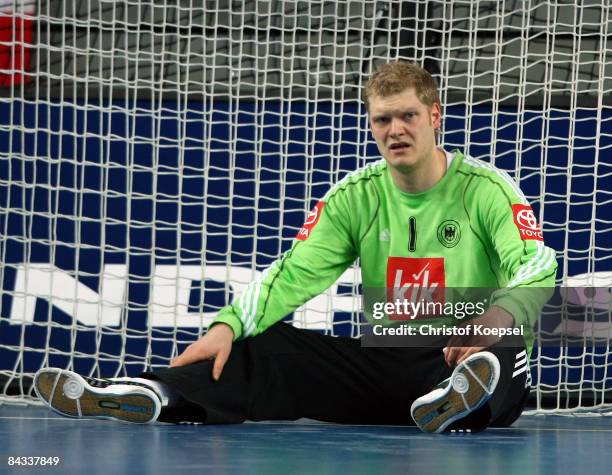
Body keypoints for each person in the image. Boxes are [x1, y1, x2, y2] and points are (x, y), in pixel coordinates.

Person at [34, 61, 557, 433]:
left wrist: (495, 318)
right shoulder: (357, 196)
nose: (395, 130)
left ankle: (461, 399)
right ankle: (158, 394)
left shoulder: (485, 189)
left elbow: (536, 264)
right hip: (387, 365)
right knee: (260, 347)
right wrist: (226, 325)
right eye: (382, 119)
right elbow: (293, 273)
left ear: (434, 117)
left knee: (504, 352)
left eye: (407, 116)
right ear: (371, 125)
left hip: (461, 352)